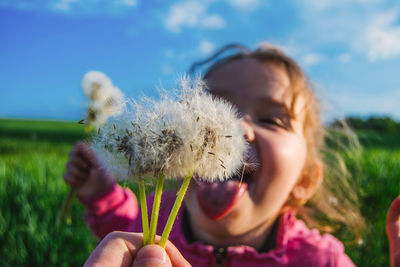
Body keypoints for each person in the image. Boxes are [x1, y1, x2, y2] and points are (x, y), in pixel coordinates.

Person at [66, 43, 377, 266]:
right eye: (211, 112)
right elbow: (122, 230)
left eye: (271, 119)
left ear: (305, 180)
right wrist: (102, 194)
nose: (238, 126)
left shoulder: (323, 261)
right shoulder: (153, 219)